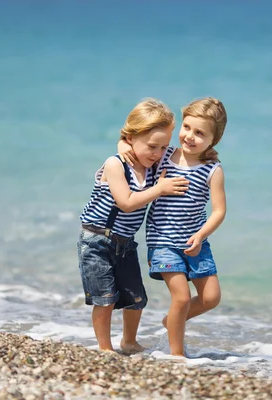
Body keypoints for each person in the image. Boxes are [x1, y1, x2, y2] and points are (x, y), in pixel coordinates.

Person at [78, 98, 189, 353]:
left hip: (125, 243)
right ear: (131, 137)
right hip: (97, 240)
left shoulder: (152, 165)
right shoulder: (115, 164)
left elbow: (185, 154)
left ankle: (128, 341)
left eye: (163, 147)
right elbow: (126, 203)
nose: (158, 153)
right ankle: (104, 348)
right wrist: (159, 189)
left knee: (136, 298)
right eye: (152, 146)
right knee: (104, 299)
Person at [118, 97, 227, 356]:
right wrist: (122, 144)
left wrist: (201, 235)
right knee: (180, 297)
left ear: (214, 139)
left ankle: (172, 321)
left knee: (211, 298)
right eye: (187, 127)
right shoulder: (164, 155)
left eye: (200, 133)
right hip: (163, 242)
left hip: (195, 242)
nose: (189, 136)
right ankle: (177, 355)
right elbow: (136, 143)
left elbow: (219, 211)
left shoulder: (213, 169)